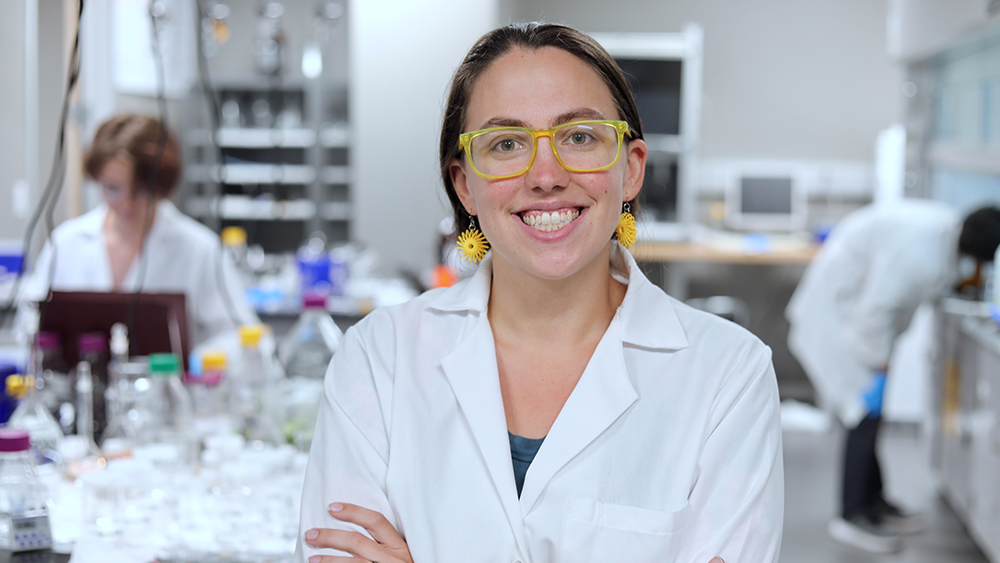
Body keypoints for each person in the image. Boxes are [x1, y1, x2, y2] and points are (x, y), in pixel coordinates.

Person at [296, 22, 783, 563]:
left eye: (579, 136)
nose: (545, 175)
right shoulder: (377, 359)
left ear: (630, 168)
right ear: (465, 184)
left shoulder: (729, 376)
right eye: (506, 143)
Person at [786, 200, 1000, 553]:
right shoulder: (923, 253)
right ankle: (851, 514)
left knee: (871, 416)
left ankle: (875, 503)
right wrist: (881, 367)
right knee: (863, 414)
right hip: (842, 317)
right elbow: (875, 311)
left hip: (856, 313)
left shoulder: (945, 233)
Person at [19, 114, 259, 348]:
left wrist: (200, 363)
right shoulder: (66, 243)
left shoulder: (201, 250)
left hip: (168, 387)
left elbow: (242, 338)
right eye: (112, 188)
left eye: (141, 191)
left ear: (163, 185)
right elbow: (27, 325)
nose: (126, 204)